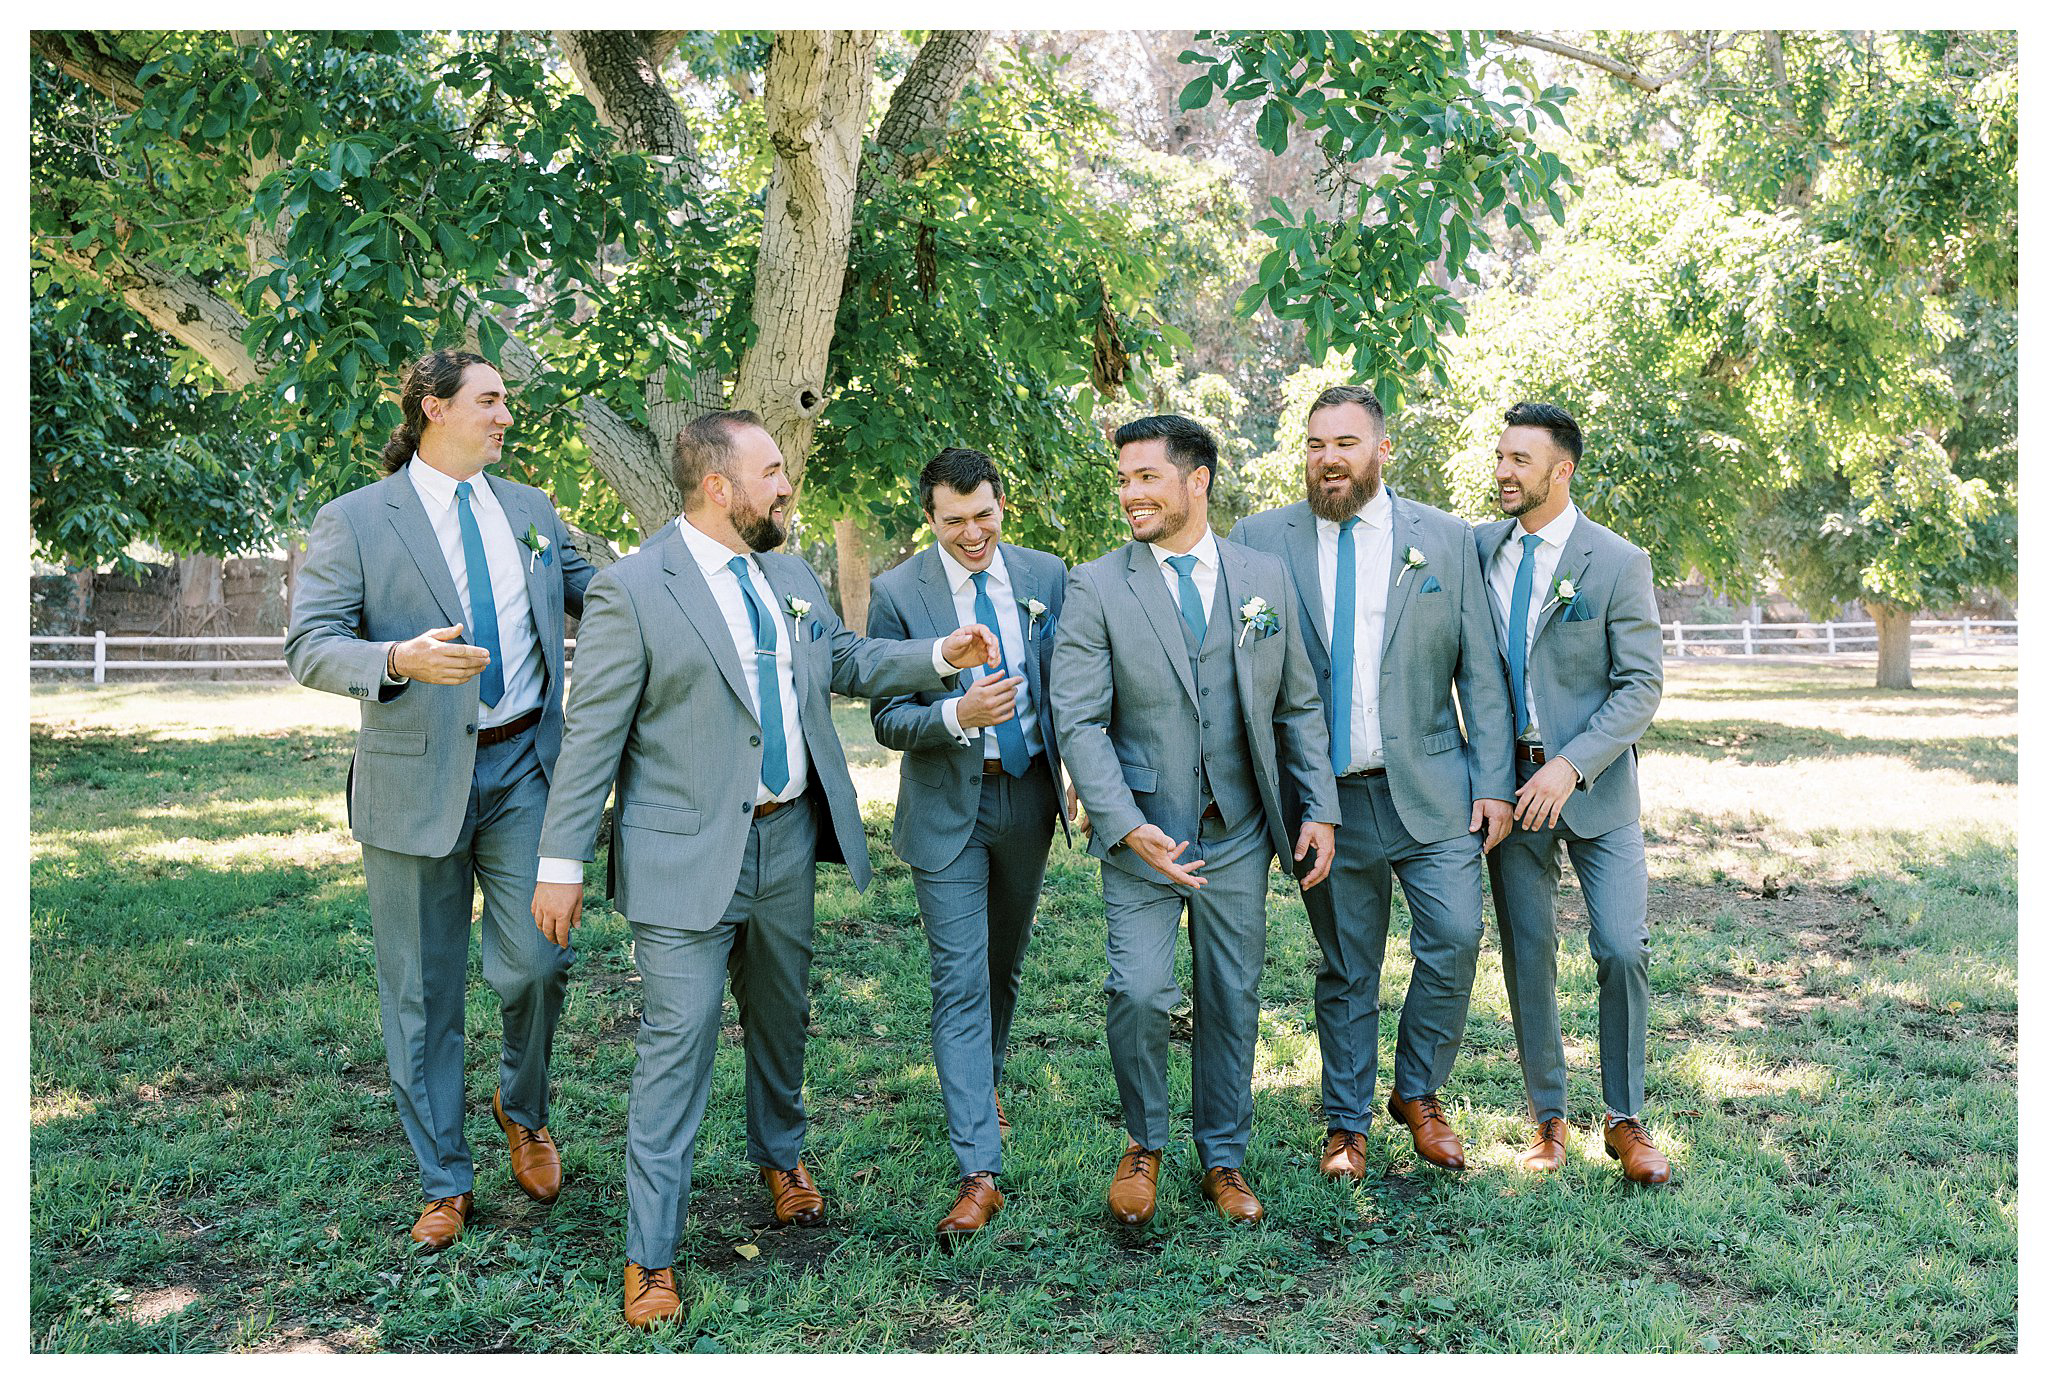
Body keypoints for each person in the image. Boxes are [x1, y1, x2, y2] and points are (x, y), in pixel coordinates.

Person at [528, 410, 999, 1327]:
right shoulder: (636, 589)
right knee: (679, 1045)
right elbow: (592, 739)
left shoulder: (787, 571)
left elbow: (846, 659)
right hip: (680, 857)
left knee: (783, 1018)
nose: (788, 485)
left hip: (787, 841)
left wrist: (937, 655)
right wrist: (560, 863)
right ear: (719, 487)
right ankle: (650, 1257)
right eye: (774, 471)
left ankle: (781, 1157)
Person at [286, 348, 594, 1250]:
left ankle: (523, 1106)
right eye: (490, 401)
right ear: (432, 408)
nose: (506, 417)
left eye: (506, 403)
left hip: (525, 771)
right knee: (421, 991)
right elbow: (310, 645)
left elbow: (596, 594)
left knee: (539, 962)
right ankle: (444, 1179)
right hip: (412, 778)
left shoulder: (532, 511)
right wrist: (395, 661)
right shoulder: (355, 520)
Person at [1049, 414, 1337, 1229]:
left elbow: (1299, 703)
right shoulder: (1097, 584)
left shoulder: (1263, 578)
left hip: (1240, 828)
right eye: (1125, 479)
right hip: (1143, 830)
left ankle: (1224, 1155)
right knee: (1138, 991)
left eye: (1147, 477)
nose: (1130, 492)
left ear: (1196, 480)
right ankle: (1143, 1141)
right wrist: (1122, 821)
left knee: (1231, 995)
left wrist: (1319, 806)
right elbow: (1078, 720)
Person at [1229, 384, 1514, 1179]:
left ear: (1382, 450)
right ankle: (1346, 1125)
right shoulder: (1259, 539)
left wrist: (1492, 782)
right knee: (1348, 964)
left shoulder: (1446, 540)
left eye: (1346, 444)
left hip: (1431, 784)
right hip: (1325, 800)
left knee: (1455, 937)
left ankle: (1418, 1092)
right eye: (1317, 445)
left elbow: (1480, 673)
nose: (1329, 460)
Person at [866, 448, 1071, 1246]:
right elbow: (886, 718)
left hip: (1030, 799)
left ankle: (979, 1085)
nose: (971, 533)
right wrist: (956, 717)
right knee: (958, 976)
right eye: (953, 521)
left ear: (1001, 505)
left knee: (1001, 964)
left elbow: (1071, 687)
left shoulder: (1048, 577)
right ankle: (977, 1169)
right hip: (946, 807)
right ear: (931, 519)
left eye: (982, 514)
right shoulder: (897, 592)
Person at [1475, 401, 1670, 1185]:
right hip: (1506, 786)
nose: (1503, 472)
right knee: (1528, 952)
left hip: (1593, 788)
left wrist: (1571, 765)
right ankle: (1547, 1118)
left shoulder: (1618, 561)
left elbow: (1641, 686)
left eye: (1520, 460)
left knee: (1622, 946)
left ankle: (1624, 1119)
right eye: (1499, 457)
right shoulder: (1476, 550)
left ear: (1563, 470)